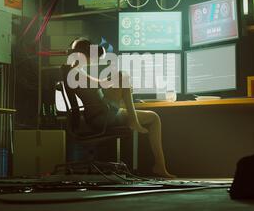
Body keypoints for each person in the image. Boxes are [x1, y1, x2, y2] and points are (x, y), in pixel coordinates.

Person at [65, 37, 175, 178]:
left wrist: (121, 87)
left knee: (153, 117)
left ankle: (160, 166)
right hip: (100, 117)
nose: (93, 60)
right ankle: (134, 121)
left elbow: (100, 83)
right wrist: (121, 84)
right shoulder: (75, 73)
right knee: (123, 76)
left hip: (103, 112)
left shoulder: (75, 71)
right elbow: (102, 85)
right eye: (91, 56)